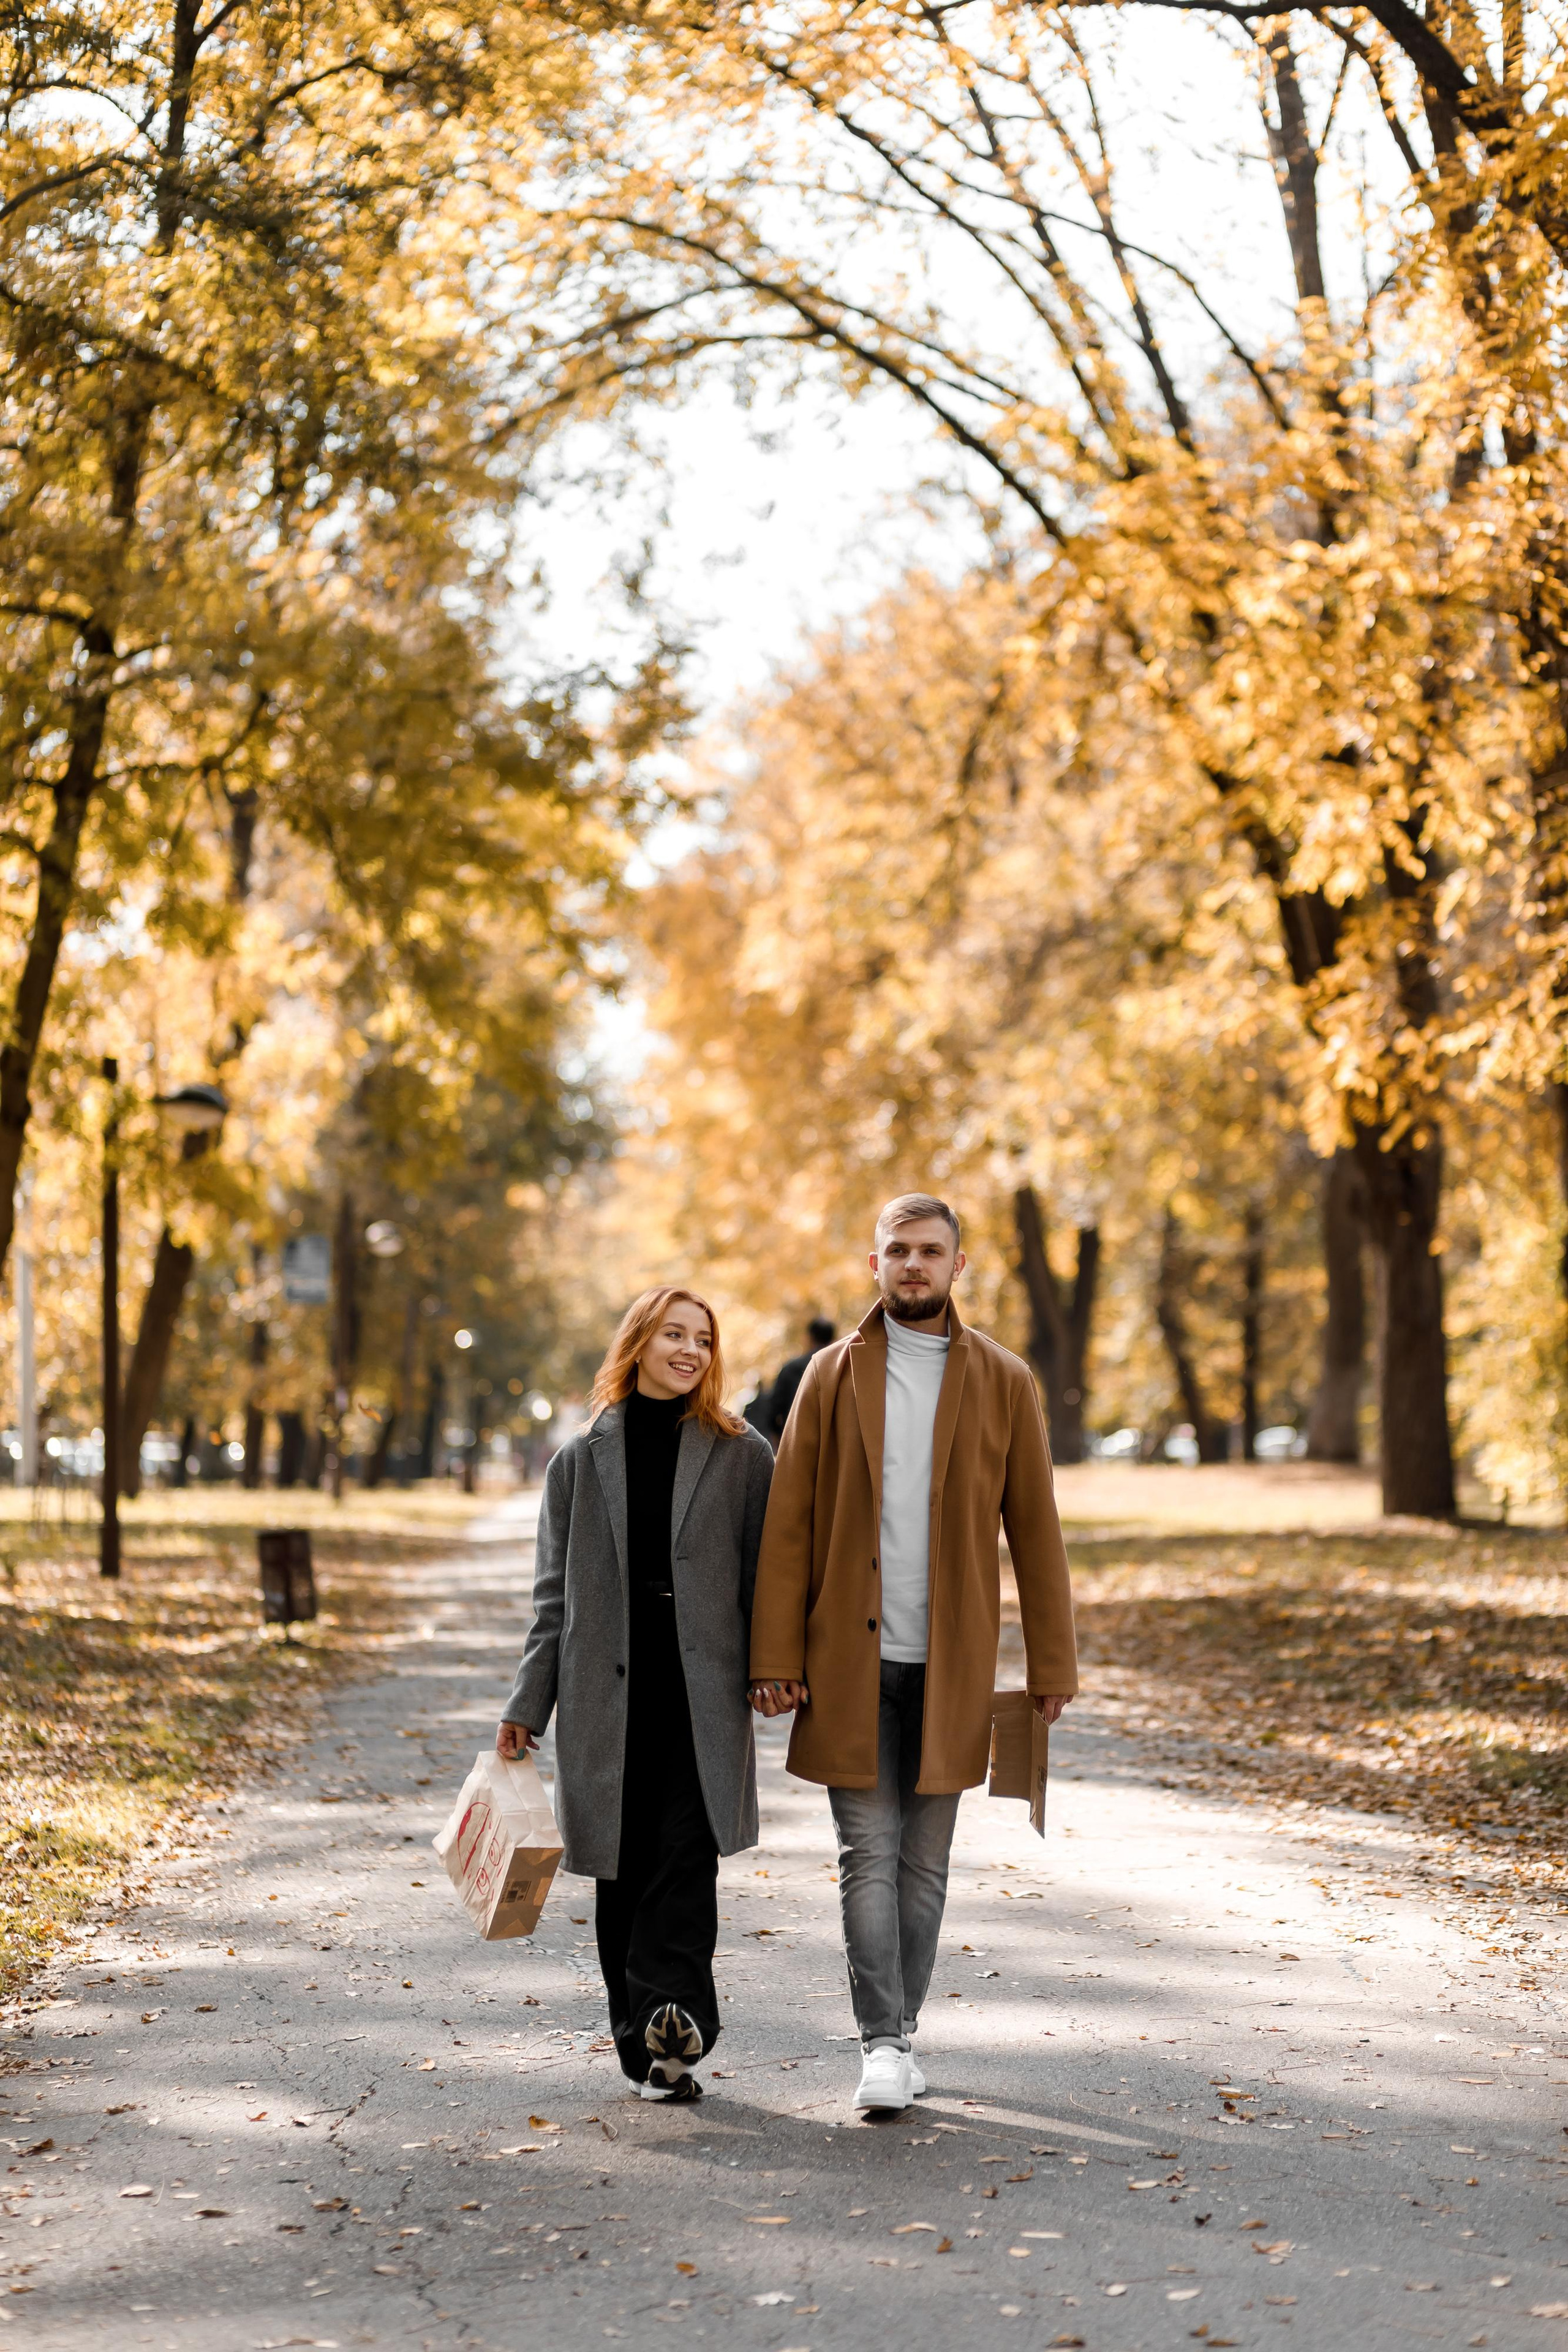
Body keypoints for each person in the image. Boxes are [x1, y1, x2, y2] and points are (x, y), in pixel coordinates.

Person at [748, 1194, 1076, 2114]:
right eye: (898, 1250)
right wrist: (774, 1656)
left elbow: (1036, 1530)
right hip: (845, 1664)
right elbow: (787, 1527)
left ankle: (902, 2029)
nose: (914, 1265)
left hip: (952, 1667)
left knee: (925, 1866)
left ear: (957, 1266)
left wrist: (1052, 1665)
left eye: (931, 1251)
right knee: (868, 1854)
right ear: (875, 1264)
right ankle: (882, 2043)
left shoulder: (1005, 1380)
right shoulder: (828, 1377)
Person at [496, 1287, 774, 2101]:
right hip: (604, 1696)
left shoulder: (742, 1454)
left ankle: (674, 2020)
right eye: (673, 1335)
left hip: (702, 1695)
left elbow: (769, 1582)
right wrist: (527, 1704)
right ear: (639, 1343)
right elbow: (553, 1600)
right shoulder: (579, 1462)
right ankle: (645, 2049)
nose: (690, 1351)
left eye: (703, 1339)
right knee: (621, 1871)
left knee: (685, 1859)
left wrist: (778, 1669)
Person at [767, 1315, 836, 1445]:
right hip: (831, 1444)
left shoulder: (790, 1368)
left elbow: (773, 1412)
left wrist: (782, 1440)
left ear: (810, 1337)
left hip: (796, 1442)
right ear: (833, 1339)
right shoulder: (840, 1369)